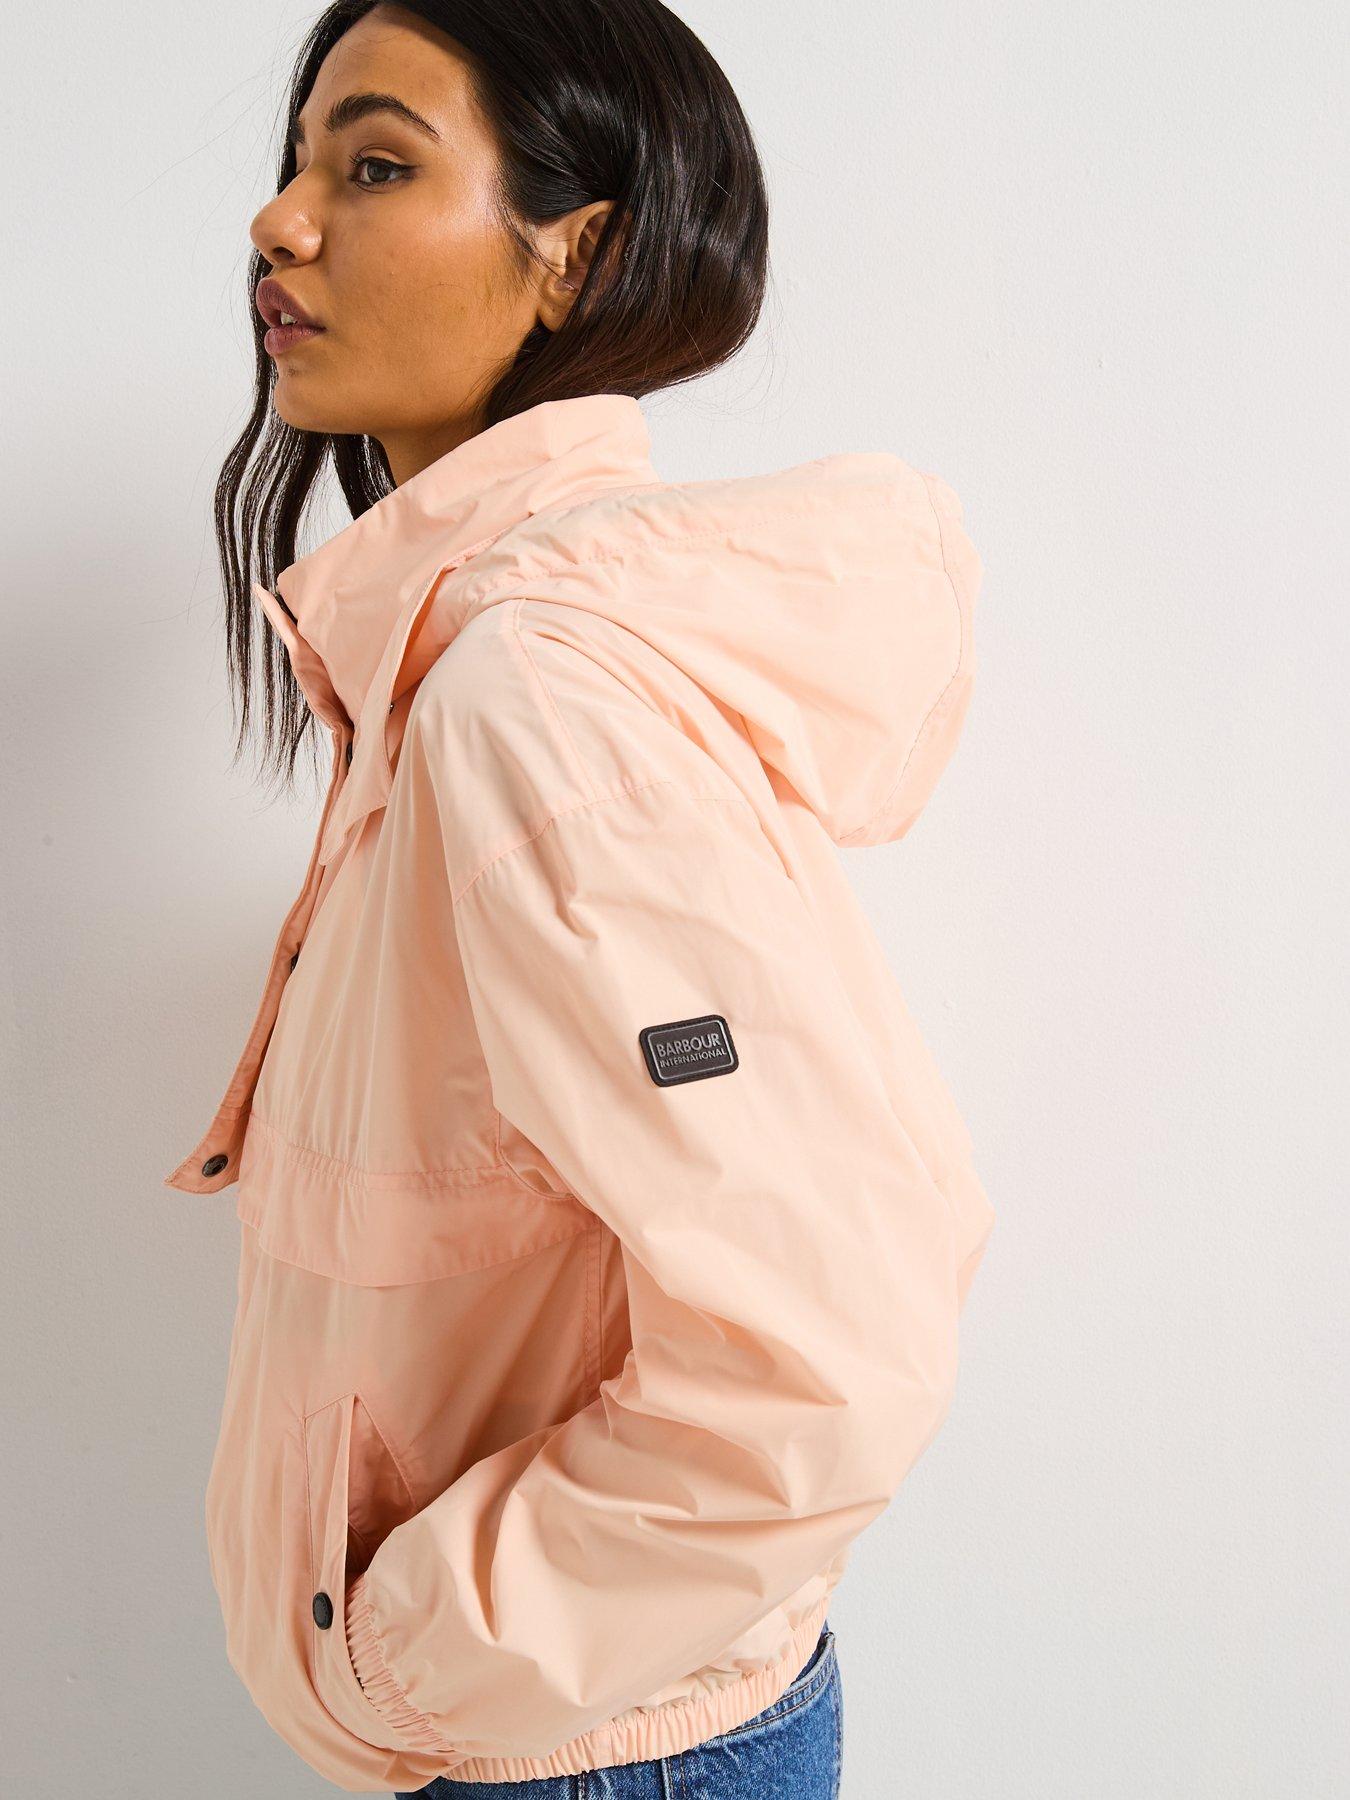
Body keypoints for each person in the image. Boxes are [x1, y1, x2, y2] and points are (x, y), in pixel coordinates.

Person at [163, 2, 994, 1793]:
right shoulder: (456, 665)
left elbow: (825, 1349)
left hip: (590, 1754)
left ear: (577, 255)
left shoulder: (535, 695)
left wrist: (415, 1663)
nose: (279, 224)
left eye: (376, 166)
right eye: (297, 167)